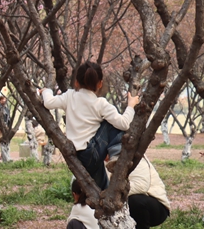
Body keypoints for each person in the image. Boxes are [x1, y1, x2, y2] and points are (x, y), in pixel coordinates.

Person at [41, 61, 138, 189]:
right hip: (92, 153)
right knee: (109, 123)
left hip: (76, 157)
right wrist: (131, 106)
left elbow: (48, 103)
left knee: (101, 188)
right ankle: (115, 154)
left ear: (76, 82)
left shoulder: (69, 96)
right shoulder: (100, 104)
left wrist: (46, 91)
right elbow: (124, 124)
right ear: (100, 83)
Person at [128, 155, 171, 229]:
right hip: (126, 202)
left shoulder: (136, 158)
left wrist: (111, 193)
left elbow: (140, 186)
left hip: (155, 206)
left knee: (135, 200)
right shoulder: (101, 160)